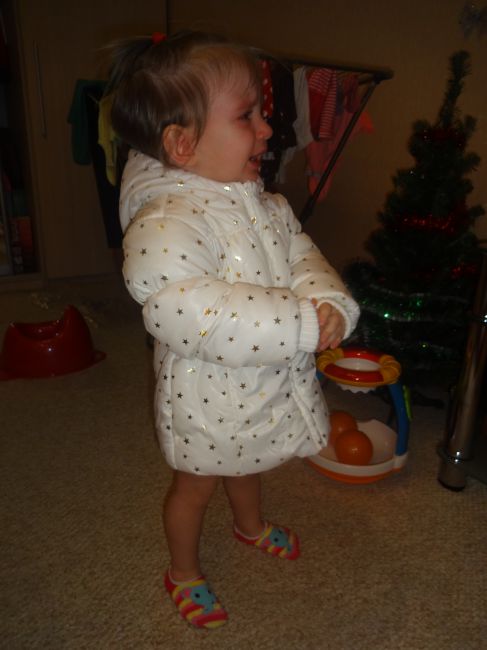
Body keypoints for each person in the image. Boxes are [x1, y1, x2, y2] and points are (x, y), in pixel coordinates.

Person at [106, 30, 360, 629]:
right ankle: (183, 572)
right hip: (203, 398)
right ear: (183, 143)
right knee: (195, 488)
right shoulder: (162, 223)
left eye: (261, 112)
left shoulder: (265, 204)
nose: (268, 129)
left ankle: (250, 526)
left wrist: (327, 302)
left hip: (263, 381)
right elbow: (189, 310)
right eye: (247, 116)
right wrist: (299, 324)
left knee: (250, 462)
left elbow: (301, 256)